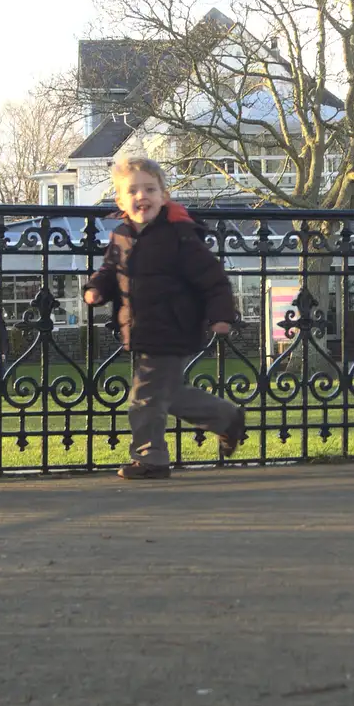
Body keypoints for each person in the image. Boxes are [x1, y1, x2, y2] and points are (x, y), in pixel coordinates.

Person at [84, 157, 247, 480]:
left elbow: (212, 278)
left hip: (174, 326)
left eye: (150, 189)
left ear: (164, 196)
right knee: (166, 394)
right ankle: (226, 418)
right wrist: (96, 289)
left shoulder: (179, 235)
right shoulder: (121, 236)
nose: (141, 196)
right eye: (132, 191)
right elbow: (109, 271)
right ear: (120, 200)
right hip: (142, 327)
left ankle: (151, 459)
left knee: (144, 398)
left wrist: (220, 315)